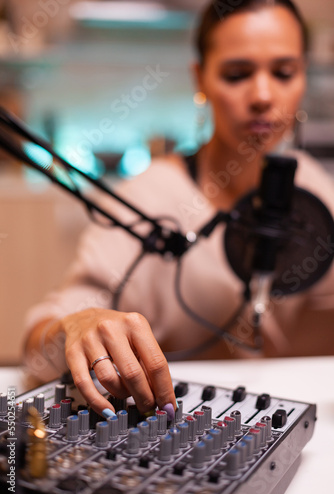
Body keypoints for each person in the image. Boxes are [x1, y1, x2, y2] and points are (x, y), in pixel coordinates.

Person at [23, 0, 334, 420]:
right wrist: (77, 327)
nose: (263, 96)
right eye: (237, 74)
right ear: (200, 78)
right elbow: (42, 347)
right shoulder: (147, 198)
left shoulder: (316, 189)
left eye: (283, 72)